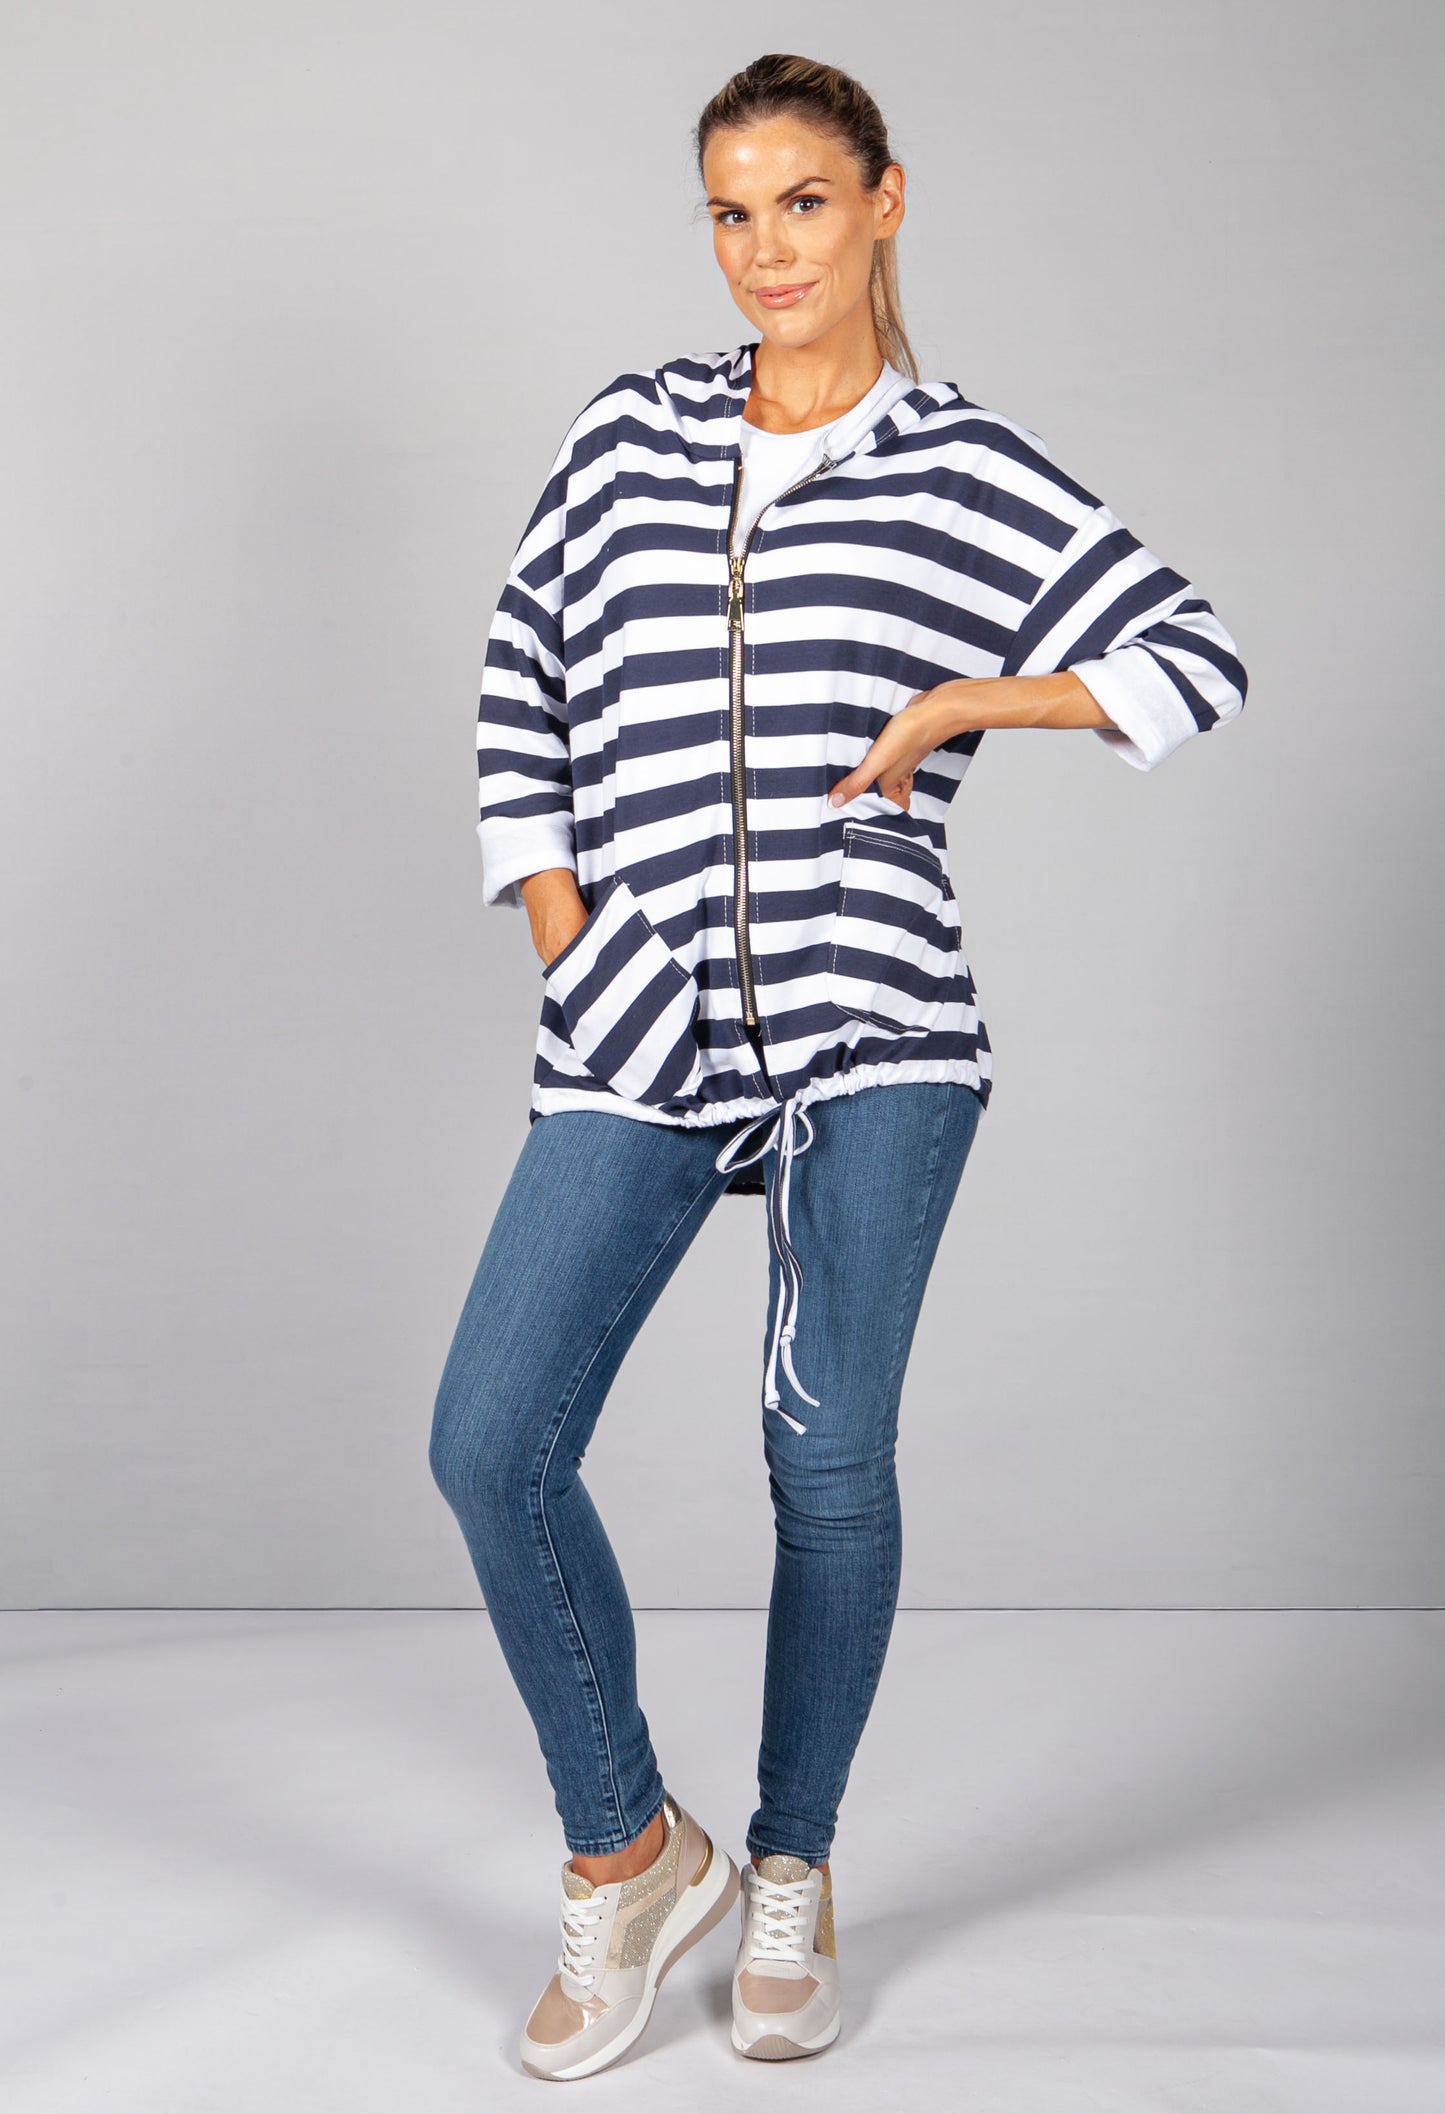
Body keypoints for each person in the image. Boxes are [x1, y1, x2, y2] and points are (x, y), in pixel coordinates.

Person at [429, 50, 1247, 2082]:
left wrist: (973, 695)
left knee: (824, 1453)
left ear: (884, 199)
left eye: (801, 201)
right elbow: (523, 673)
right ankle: (633, 1852)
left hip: (875, 1020)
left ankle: (790, 1861)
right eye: (729, 211)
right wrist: (569, 930)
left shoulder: (960, 466)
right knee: (490, 1439)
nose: (762, 248)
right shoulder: (630, 433)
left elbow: (1192, 654)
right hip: (636, 1018)